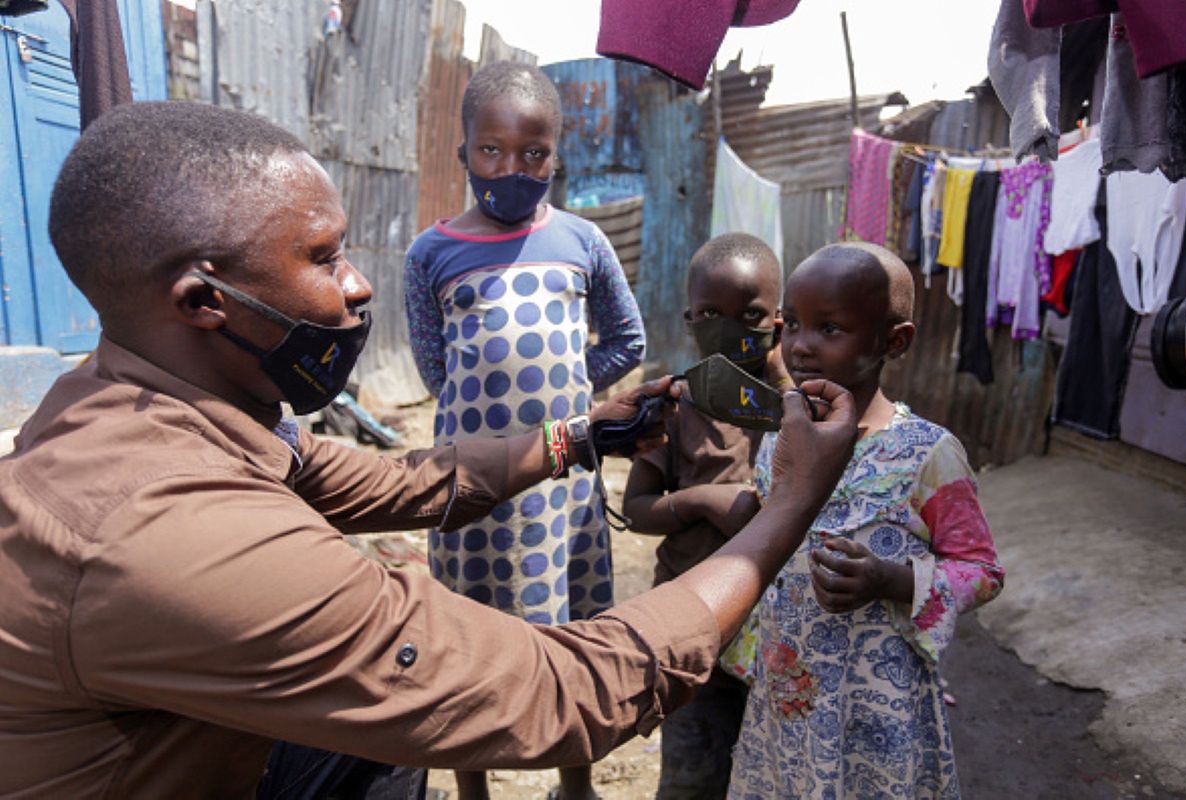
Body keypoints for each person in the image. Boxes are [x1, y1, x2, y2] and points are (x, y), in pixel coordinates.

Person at [0, 101, 859, 798]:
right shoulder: (167, 529)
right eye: (325, 257)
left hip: (206, 749)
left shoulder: (153, 404)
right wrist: (787, 505)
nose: (357, 282)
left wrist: (587, 434)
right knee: (415, 712)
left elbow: (410, 481)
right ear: (203, 300)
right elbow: (553, 696)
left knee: (382, 748)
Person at [404, 61, 645, 800]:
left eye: (534, 155)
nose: (512, 169)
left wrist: (573, 395)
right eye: (492, 153)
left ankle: (575, 783)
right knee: (463, 642)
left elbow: (626, 342)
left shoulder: (583, 243)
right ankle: (472, 787)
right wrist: (487, 419)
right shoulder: (430, 254)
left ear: (556, 157)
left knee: (569, 639)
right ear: (464, 155)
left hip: (562, 491)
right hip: (471, 485)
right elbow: (435, 372)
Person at [726, 243, 1006, 799]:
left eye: (830, 329)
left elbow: (982, 570)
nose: (802, 346)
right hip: (787, 699)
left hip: (879, 707)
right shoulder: (781, 438)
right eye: (795, 325)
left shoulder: (927, 454)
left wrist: (891, 580)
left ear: (893, 341)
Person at [622, 233, 783, 799]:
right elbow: (635, 509)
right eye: (712, 313)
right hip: (694, 627)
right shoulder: (676, 403)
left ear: (778, 323)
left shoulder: (803, 413)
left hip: (778, 639)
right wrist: (702, 501)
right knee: (692, 773)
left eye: (751, 314)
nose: (730, 326)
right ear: (690, 318)